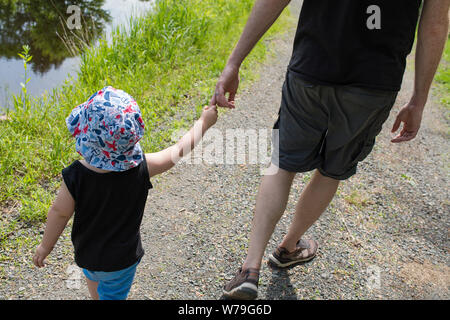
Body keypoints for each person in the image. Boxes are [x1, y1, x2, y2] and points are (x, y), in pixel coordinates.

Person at [212, 0, 450, 300]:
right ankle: (289, 247)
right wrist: (419, 99)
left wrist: (235, 61)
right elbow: (435, 23)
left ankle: (249, 271)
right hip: (375, 81)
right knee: (332, 170)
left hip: (313, 65)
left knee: (282, 163)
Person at [33, 86, 218, 300]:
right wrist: (203, 122)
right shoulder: (143, 166)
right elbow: (177, 150)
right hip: (122, 261)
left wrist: (45, 246)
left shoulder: (76, 176)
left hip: (88, 256)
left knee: (96, 287)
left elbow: (59, 213)